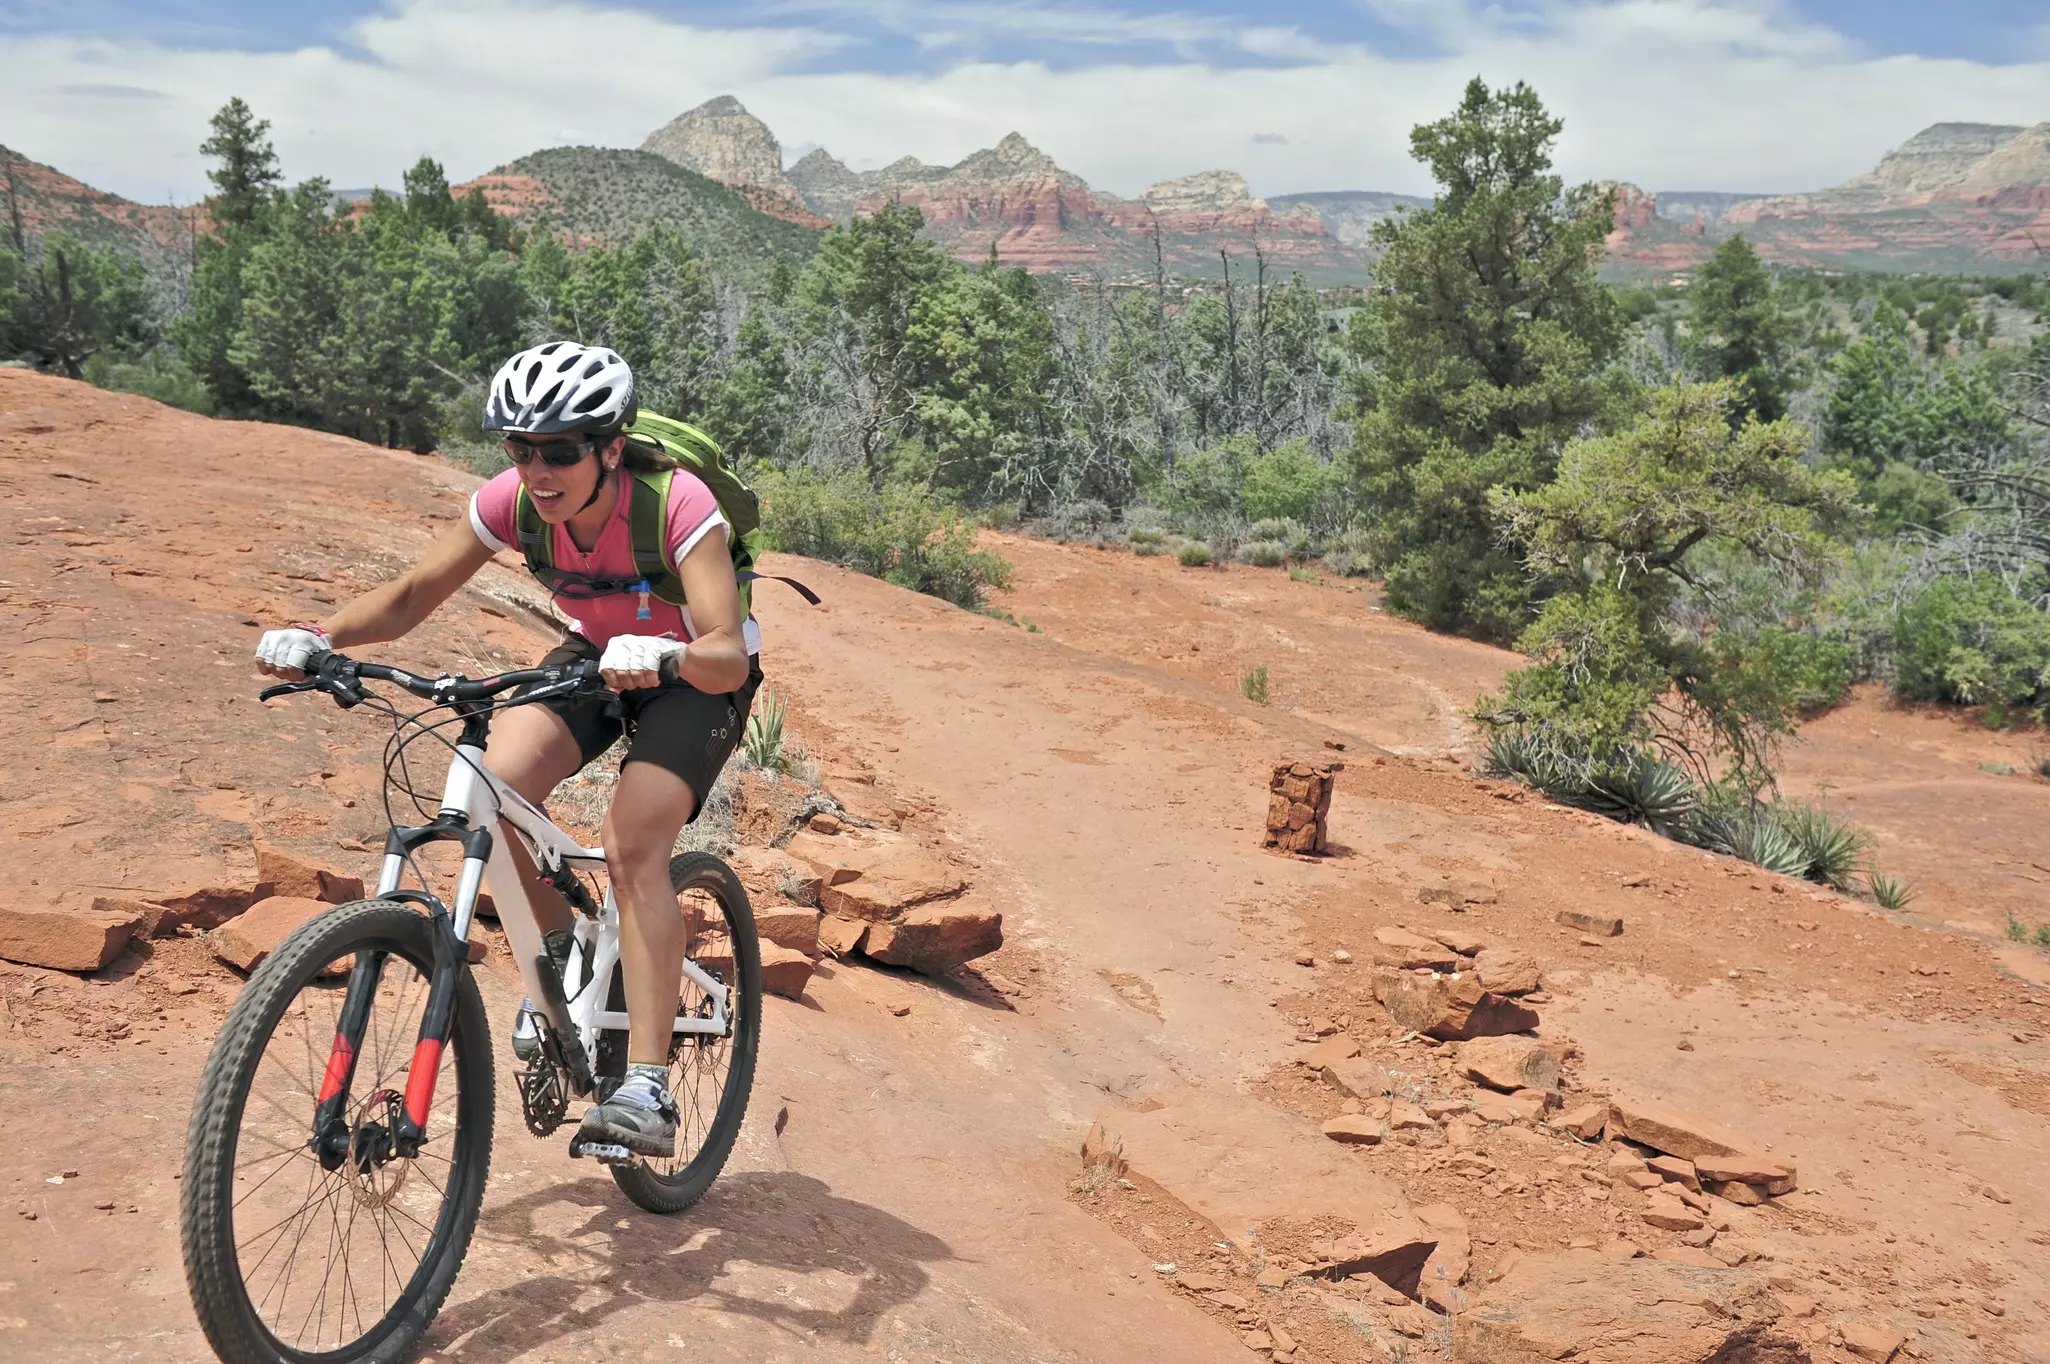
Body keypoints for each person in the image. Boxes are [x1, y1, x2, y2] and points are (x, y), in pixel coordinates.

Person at [253, 341, 760, 1158]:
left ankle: (647, 1087)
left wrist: (666, 656)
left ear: (610, 447)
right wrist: (319, 633)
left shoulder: (675, 501)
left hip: (693, 674)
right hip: (593, 658)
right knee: (491, 782)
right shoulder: (510, 503)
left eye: (560, 451)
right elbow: (414, 593)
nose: (539, 470)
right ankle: (562, 970)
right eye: (520, 450)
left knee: (633, 847)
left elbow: (726, 648)